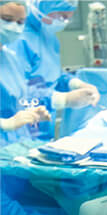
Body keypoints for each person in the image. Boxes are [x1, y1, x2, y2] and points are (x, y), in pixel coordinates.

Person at [11, 0, 99, 139]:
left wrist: (75, 84)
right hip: (15, 131)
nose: (64, 22)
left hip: (42, 128)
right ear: (40, 8)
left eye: (69, 18)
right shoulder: (16, 39)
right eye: (61, 16)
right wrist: (63, 99)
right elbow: (13, 92)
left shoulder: (48, 37)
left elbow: (51, 75)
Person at [0, 0, 51, 143]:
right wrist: (4, 124)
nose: (13, 27)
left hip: (13, 147)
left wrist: (29, 114)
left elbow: (12, 105)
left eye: (20, 22)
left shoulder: (10, 58)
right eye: (6, 19)